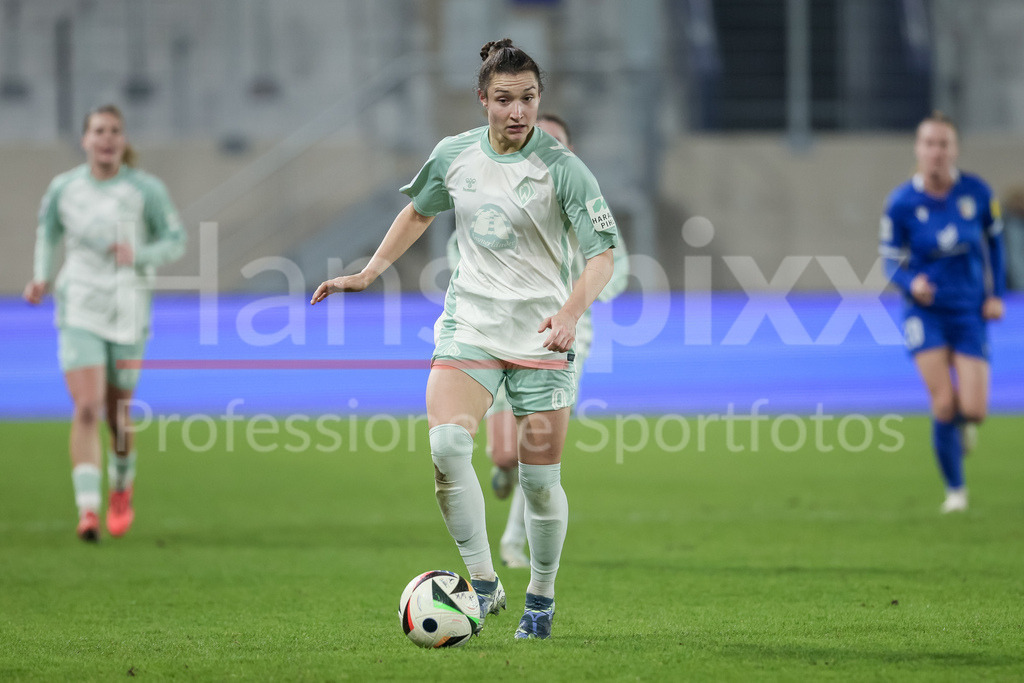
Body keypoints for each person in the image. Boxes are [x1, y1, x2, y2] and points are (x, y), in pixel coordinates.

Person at [312, 39, 619, 639]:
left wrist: (568, 314)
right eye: (504, 99)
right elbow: (419, 213)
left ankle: (541, 596)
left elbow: (602, 258)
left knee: (539, 480)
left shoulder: (564, 170)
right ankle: (483, 582)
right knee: (449, 449)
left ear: (538, 100)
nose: (518, 111)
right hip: (470, 328)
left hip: (541, 340)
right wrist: (369, 272)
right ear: (482, 100)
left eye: (528, 98)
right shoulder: (454, 156)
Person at [445, 113, 630, 570]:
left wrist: (572, 301)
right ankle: (503, 472)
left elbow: (614, 267)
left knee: (539, 460)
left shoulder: (582, 200)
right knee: (505, 452)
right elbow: (462, 252)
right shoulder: (495, 199)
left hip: (560, 341)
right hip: (494, 334)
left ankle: (512, 544)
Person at [23, 104, 186, 541]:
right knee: (87, 406)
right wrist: (41, 275)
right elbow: (49, 232)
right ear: (85, 139)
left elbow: (176, 239)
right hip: (79, 305)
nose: (107, 138)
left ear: (123, 140)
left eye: (115, 130)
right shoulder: (65, 188)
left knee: (116, 413)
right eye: (99, 130)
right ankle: (88, 510)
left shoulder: (144, 190)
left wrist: (141, 255)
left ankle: (120, 487)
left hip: (129, 308)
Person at [879, 111, 1005, 513]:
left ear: (955, 149)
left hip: (968, 310)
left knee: (974, 410)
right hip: (925, 313)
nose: (936, 152)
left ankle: (964, 428)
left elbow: (995, 246)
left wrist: (994, 293)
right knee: (944, 405)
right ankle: (956, 490)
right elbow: (888, 261)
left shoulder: (978, 194)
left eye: (943, 144)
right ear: (918, 149)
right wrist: (910, 281)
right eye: (929, 143)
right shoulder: (900, 203)